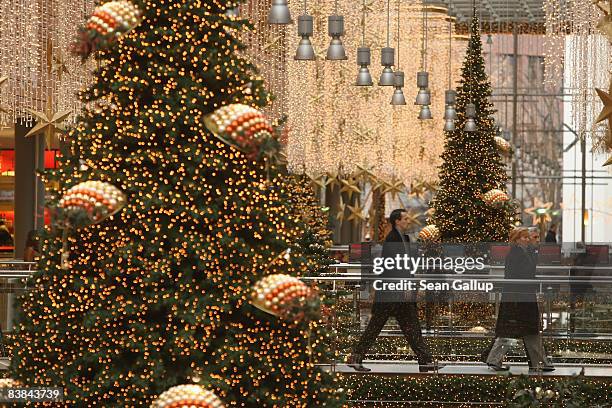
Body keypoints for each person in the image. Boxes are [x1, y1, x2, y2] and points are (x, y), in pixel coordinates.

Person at [347, 209, 439, 372]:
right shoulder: (392, 240)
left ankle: (425, 361)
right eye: (404, 218)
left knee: (412, 326)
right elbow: (394, 267)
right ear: (397, 221)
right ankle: (356, 357)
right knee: (377, 326)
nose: (407, 221)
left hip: (398, 293)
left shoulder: (403, 238)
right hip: (391, 293)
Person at [485, 227, 554, 372]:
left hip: (520, 296)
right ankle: (494, 359)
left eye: (528, 237)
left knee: (527, 330)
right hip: (518, 297)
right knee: (517, 330)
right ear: (516, 239)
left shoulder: (523, 252)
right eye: (525, 237)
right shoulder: (517, 253)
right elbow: (524, 273)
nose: (528, 240)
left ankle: (539, 362)